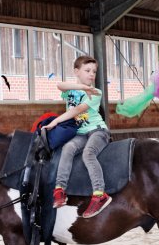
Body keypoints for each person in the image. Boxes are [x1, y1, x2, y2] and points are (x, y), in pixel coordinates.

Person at [42, 55, 111, 218]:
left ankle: (100, 193)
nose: (92, 74)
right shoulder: (73, 90)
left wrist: (55, 122)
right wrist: (81, 87)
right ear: (76, 71)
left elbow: (76, 111)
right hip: (80, 133)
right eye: (87, 70)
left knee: (88, 153)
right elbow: (60, 85)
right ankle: (60, 190)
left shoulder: (96, 92)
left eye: (94, 71)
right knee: (68, 148)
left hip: (97, 131)